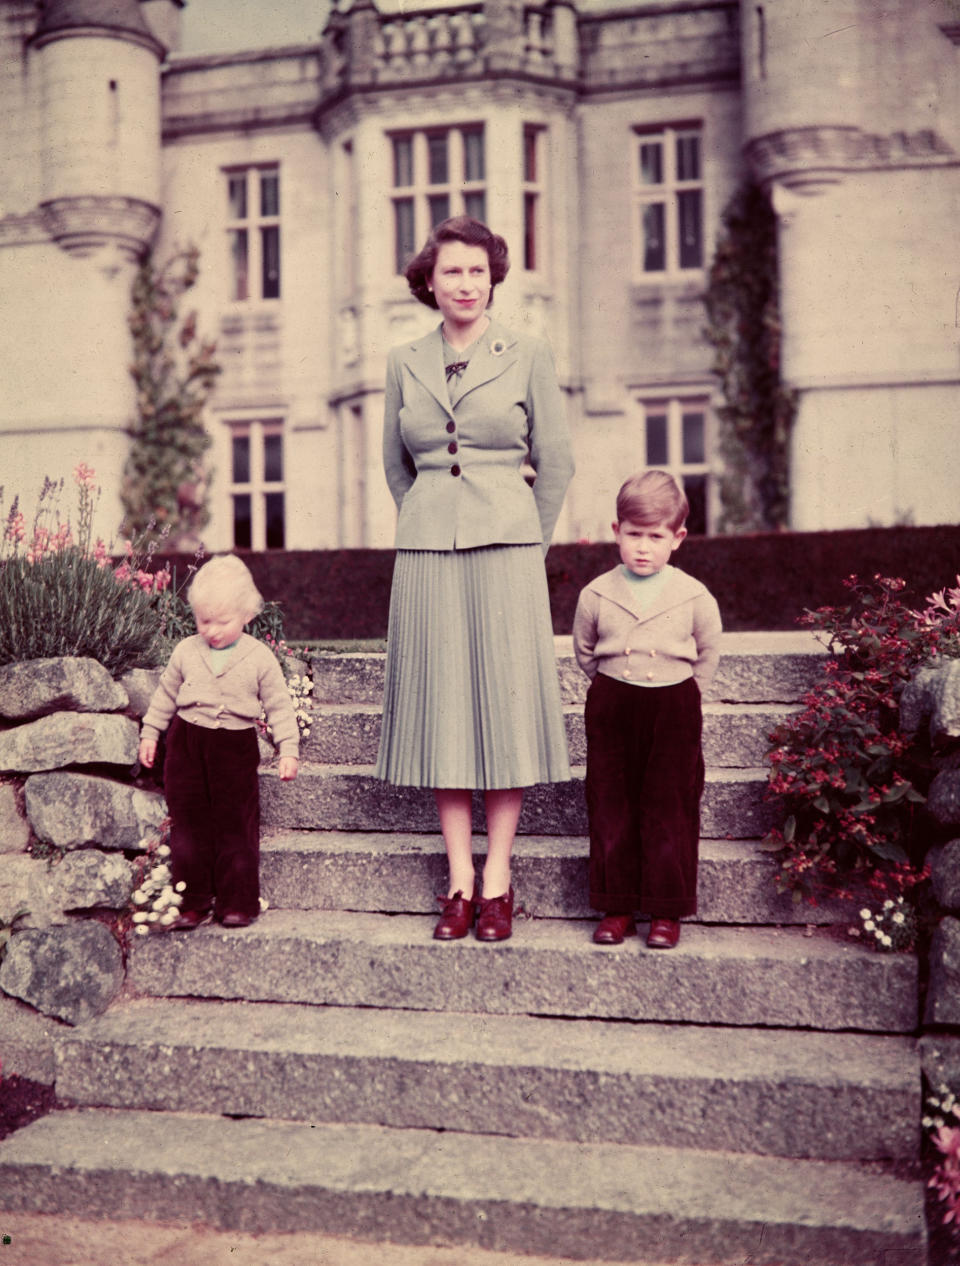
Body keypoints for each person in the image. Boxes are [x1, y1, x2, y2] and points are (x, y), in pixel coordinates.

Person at [375, 215, 574, 943]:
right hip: (428, 552)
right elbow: (397, 466)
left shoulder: (527, 354)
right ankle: (458, 880)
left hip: (507, 550)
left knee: (504, 706)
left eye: (478, 271)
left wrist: (527, 539)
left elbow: (555, 463)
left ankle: (499, 878)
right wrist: (431, 518)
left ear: (494, 279)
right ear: (429, 280)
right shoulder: (403, 360)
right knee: (443, 711)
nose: (466, 283)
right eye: (452, 270)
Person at [572, 470, 722, 948]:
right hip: (614, 701)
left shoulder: (694, 595)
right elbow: (584, 651)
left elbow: (707, 653)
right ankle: (616, 907)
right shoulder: (596, 594)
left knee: (669, 805)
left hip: (673, 705)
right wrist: (614, 686)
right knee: (611, 802)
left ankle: (665, 911)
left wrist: (681, 692)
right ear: (615, 531)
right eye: (633, 534)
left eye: (655, 537)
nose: (643, 547)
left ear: (677, 538)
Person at [138, 555, 299, 929]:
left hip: (234, 748)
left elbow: (278, 705)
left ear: (246, 615)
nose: (211, 631)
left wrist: (287, 748)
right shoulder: (185, 651)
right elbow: (164, 696)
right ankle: (191, 900)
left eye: (221, 621)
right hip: (186, 743)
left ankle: (236, 902)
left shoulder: (258, 657)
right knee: (189, 824)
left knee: (234, 823)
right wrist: (150, 733)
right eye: (203, 620)